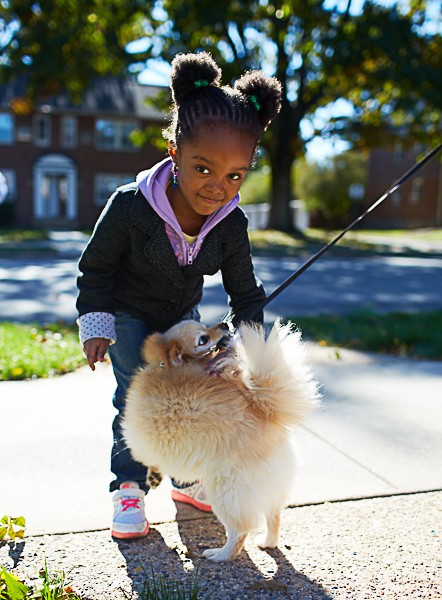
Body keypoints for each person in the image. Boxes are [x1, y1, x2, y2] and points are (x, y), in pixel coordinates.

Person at [76, 51, 282, 540]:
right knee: (135, 395)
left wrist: (251, 345)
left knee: (191, 397)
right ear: (174, 152)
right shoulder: (129, 205)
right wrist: (96, 325)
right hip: (126, 313)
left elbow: (244, 292)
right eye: (203, 169)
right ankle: (128, 486)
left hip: (182, 316)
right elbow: (96, 269)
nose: (218, 187)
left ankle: (188, 478)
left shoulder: (230, 223)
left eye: (234, 175)